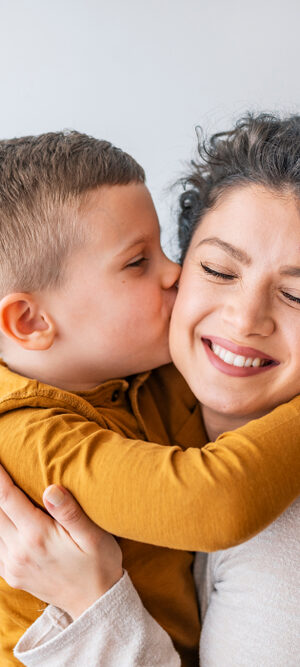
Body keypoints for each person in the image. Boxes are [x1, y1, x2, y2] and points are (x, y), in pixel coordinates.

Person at [0, 120, 299, 666]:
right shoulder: (30, 432)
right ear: (31, 321)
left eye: (296, 295)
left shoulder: (132, 373)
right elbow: (213, 500)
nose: (175, 275)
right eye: (214, 268)